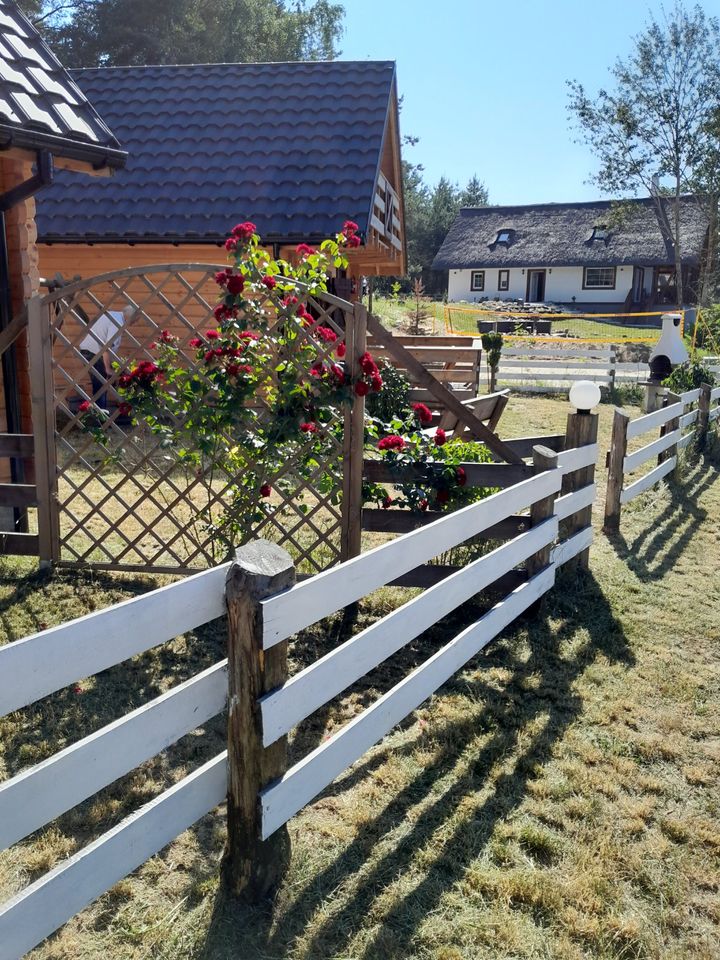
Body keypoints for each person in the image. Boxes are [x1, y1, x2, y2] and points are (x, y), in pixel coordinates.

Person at [78, 307, 130, 409]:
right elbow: (106, 347)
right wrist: (108, 369)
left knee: (101, 386)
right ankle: (101, 420)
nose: (135, 323)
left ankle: (102, 417)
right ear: (129, 316)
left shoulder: (114, 315)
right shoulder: (117, 322)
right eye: (135, 319)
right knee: (100, 387)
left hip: (91, 352)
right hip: (93, 353)